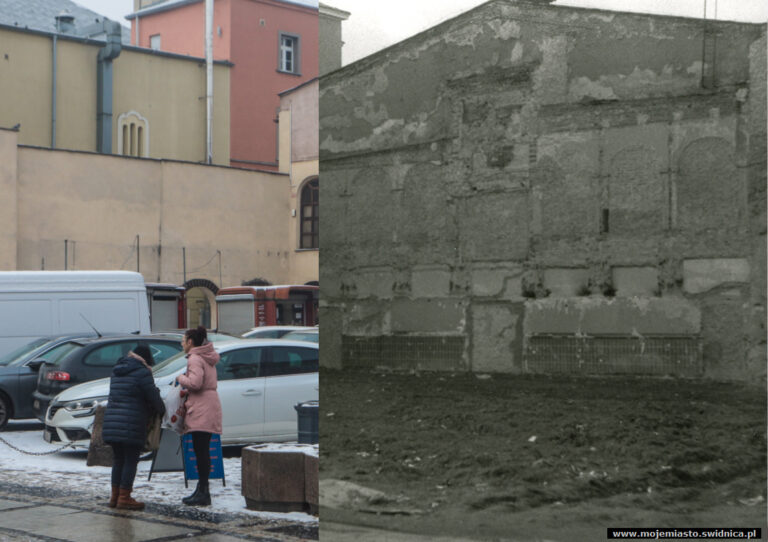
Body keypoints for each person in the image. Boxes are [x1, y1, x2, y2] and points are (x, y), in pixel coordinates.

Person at [102, 343, 165, 510]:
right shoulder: (142, 372)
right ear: (146, 359)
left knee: (119, 460)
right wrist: (162, 410)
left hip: (113, 422)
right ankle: (125, 497)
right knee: (131, 460)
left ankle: (115, 496)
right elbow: (152, 396)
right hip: (131, 423)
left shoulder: (117, 370)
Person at [176, 326, 222, 506]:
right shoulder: (206, 356)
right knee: (203, 450)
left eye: (183, 340)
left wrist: (181, 378)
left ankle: (204, 492)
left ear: (190, 342)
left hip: (201, 407)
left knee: (200, 451)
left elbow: (195, 383)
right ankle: (202, 489)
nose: (182, 343)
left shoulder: (195, 358)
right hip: (209, 404)